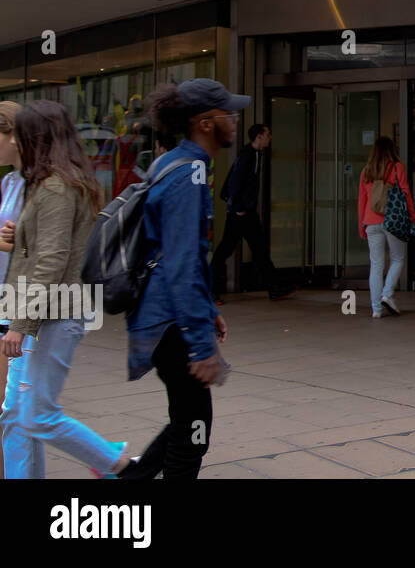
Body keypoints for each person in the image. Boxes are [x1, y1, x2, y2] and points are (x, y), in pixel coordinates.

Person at [0, 100, 130, 478]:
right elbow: (42, 251)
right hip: (45, 310)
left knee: (37, 415)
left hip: (53, 312)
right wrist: (18, 238)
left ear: (34, 137)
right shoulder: (50, 182)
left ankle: (118, 464)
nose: (16, 142)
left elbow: (51, 262)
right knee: (18, 412)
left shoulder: (56, 186)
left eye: (19, 134)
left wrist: (20, 324)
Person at [118, 79, 237, 479]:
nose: (233, 119)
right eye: (226, 113)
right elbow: (182, 264)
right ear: (205, 122)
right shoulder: (190, 174)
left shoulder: (172, 162)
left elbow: (177, 256)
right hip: (170, 322)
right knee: (192, 436)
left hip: (161, 317)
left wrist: (207, 310)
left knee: (185, 422)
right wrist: (201, 346)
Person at [211, 123, 291, 303]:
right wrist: (238, 207)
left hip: (246, 211)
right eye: (268, 134)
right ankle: (210, 289)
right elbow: (236, 181)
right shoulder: (248, 155)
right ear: (259, 136)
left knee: (259, 248)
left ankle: (274, 287)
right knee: (226, 249)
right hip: (240, 212)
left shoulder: (254, 154)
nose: (270, 138)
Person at [357, 136, 415, 318]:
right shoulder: (397, 167)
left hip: (371, 222)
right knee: (398, 259)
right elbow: (405, 195)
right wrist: (411, 217)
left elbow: (361, 201)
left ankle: (376, 309)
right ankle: (387, 294)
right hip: (393, 220)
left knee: (376, 265)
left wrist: (361, 225)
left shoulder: (366, 172)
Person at [0, 101, 25, 475]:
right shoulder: (8, 181)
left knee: (15, 407)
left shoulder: (44, 183)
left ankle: (110, 459)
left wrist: (20, 240)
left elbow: (58, 249)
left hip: (21, 305)